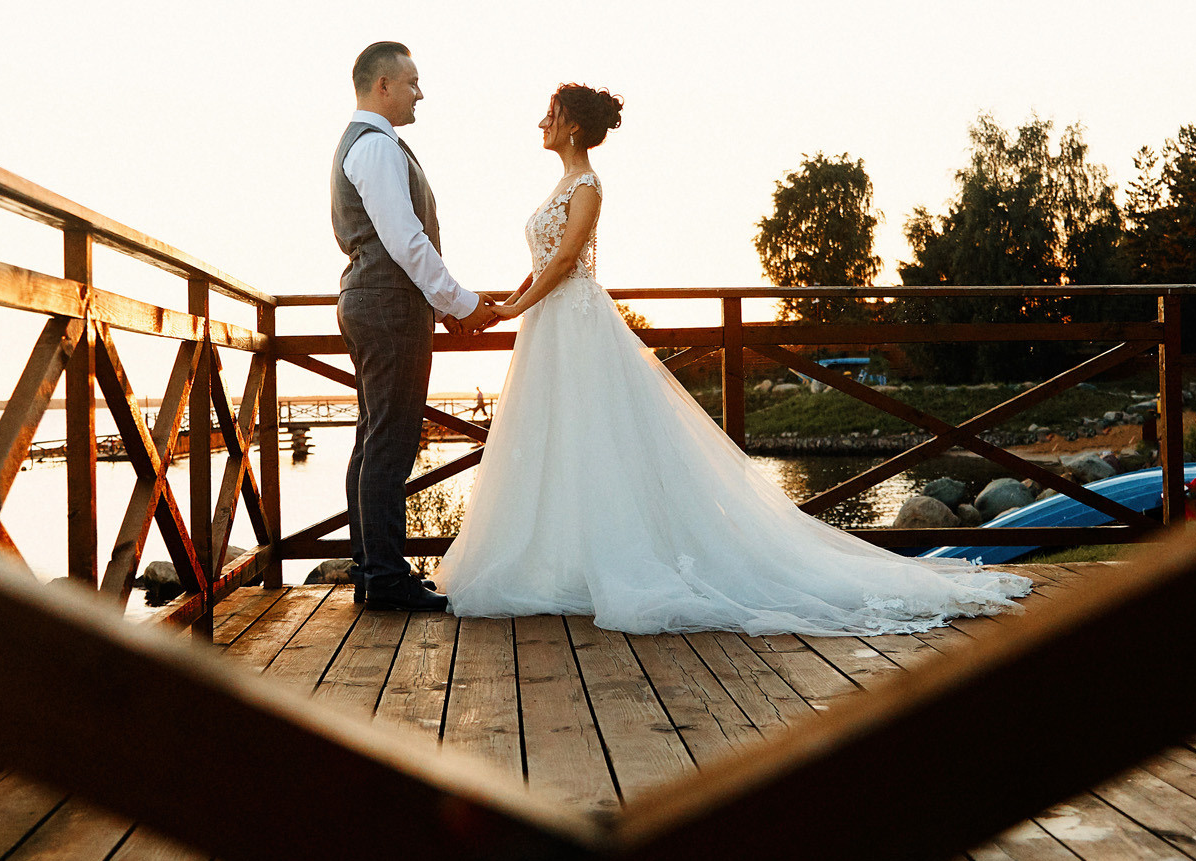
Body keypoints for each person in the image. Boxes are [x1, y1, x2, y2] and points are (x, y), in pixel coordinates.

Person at [439, 83, 1030, 635]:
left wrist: (512, 310)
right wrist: (512, 302)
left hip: (576, 324)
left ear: (570, 127)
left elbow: (567, 262)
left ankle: (618, 562)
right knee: (557, 441)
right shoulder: (560, 186)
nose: (541, 122)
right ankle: (556, 564)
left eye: (550, 114)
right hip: (551, 327)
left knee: (598, 440)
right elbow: (545, 260)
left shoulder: (588, 186)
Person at [333, 41, 499, 612]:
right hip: (387, 305)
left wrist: (442, 304)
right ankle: (383, 579)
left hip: (373, 300)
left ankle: (371, 568)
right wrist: (459, 303)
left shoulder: (365, 144)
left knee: (373, 436)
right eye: (412, 81)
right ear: (383, 85)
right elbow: (406, 241)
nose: (419, 92)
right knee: (391, 441)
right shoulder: (376, 147)